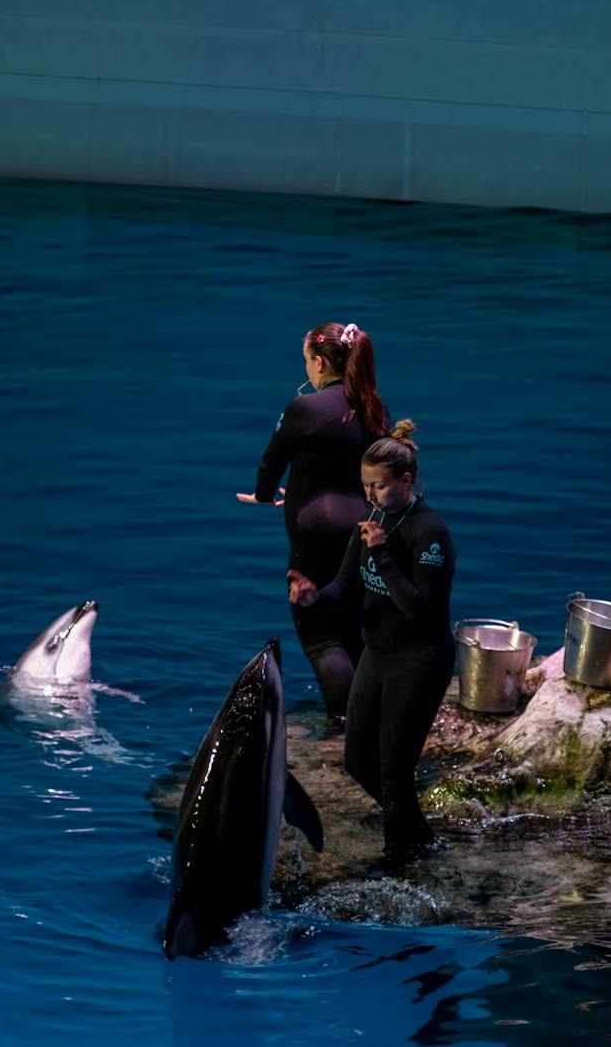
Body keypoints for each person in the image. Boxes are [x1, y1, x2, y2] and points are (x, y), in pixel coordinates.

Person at [286, 421, 456, 866]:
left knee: (395, 774)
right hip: (377, 656)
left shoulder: (429, 532)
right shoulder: (374, 520)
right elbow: (345, 586)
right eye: (365, 486)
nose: (370, 496)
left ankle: (400, 859)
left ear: (406, 480)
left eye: (379, 486)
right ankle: (421, 839)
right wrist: (313, 598)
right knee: (359, 762)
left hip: (419, 660)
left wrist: (381, 553)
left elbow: (418, 608)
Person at [239, 322, 389, 722]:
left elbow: (272, 461)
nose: (306, 368)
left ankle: (346, 722)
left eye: (307, 360)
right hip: (363, 523)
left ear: (320, 363)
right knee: (354, 622)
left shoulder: (305, 408)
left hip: (317, 531)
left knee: (321, 634)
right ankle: (371, 711)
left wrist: (265, 495)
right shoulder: (374, 405)